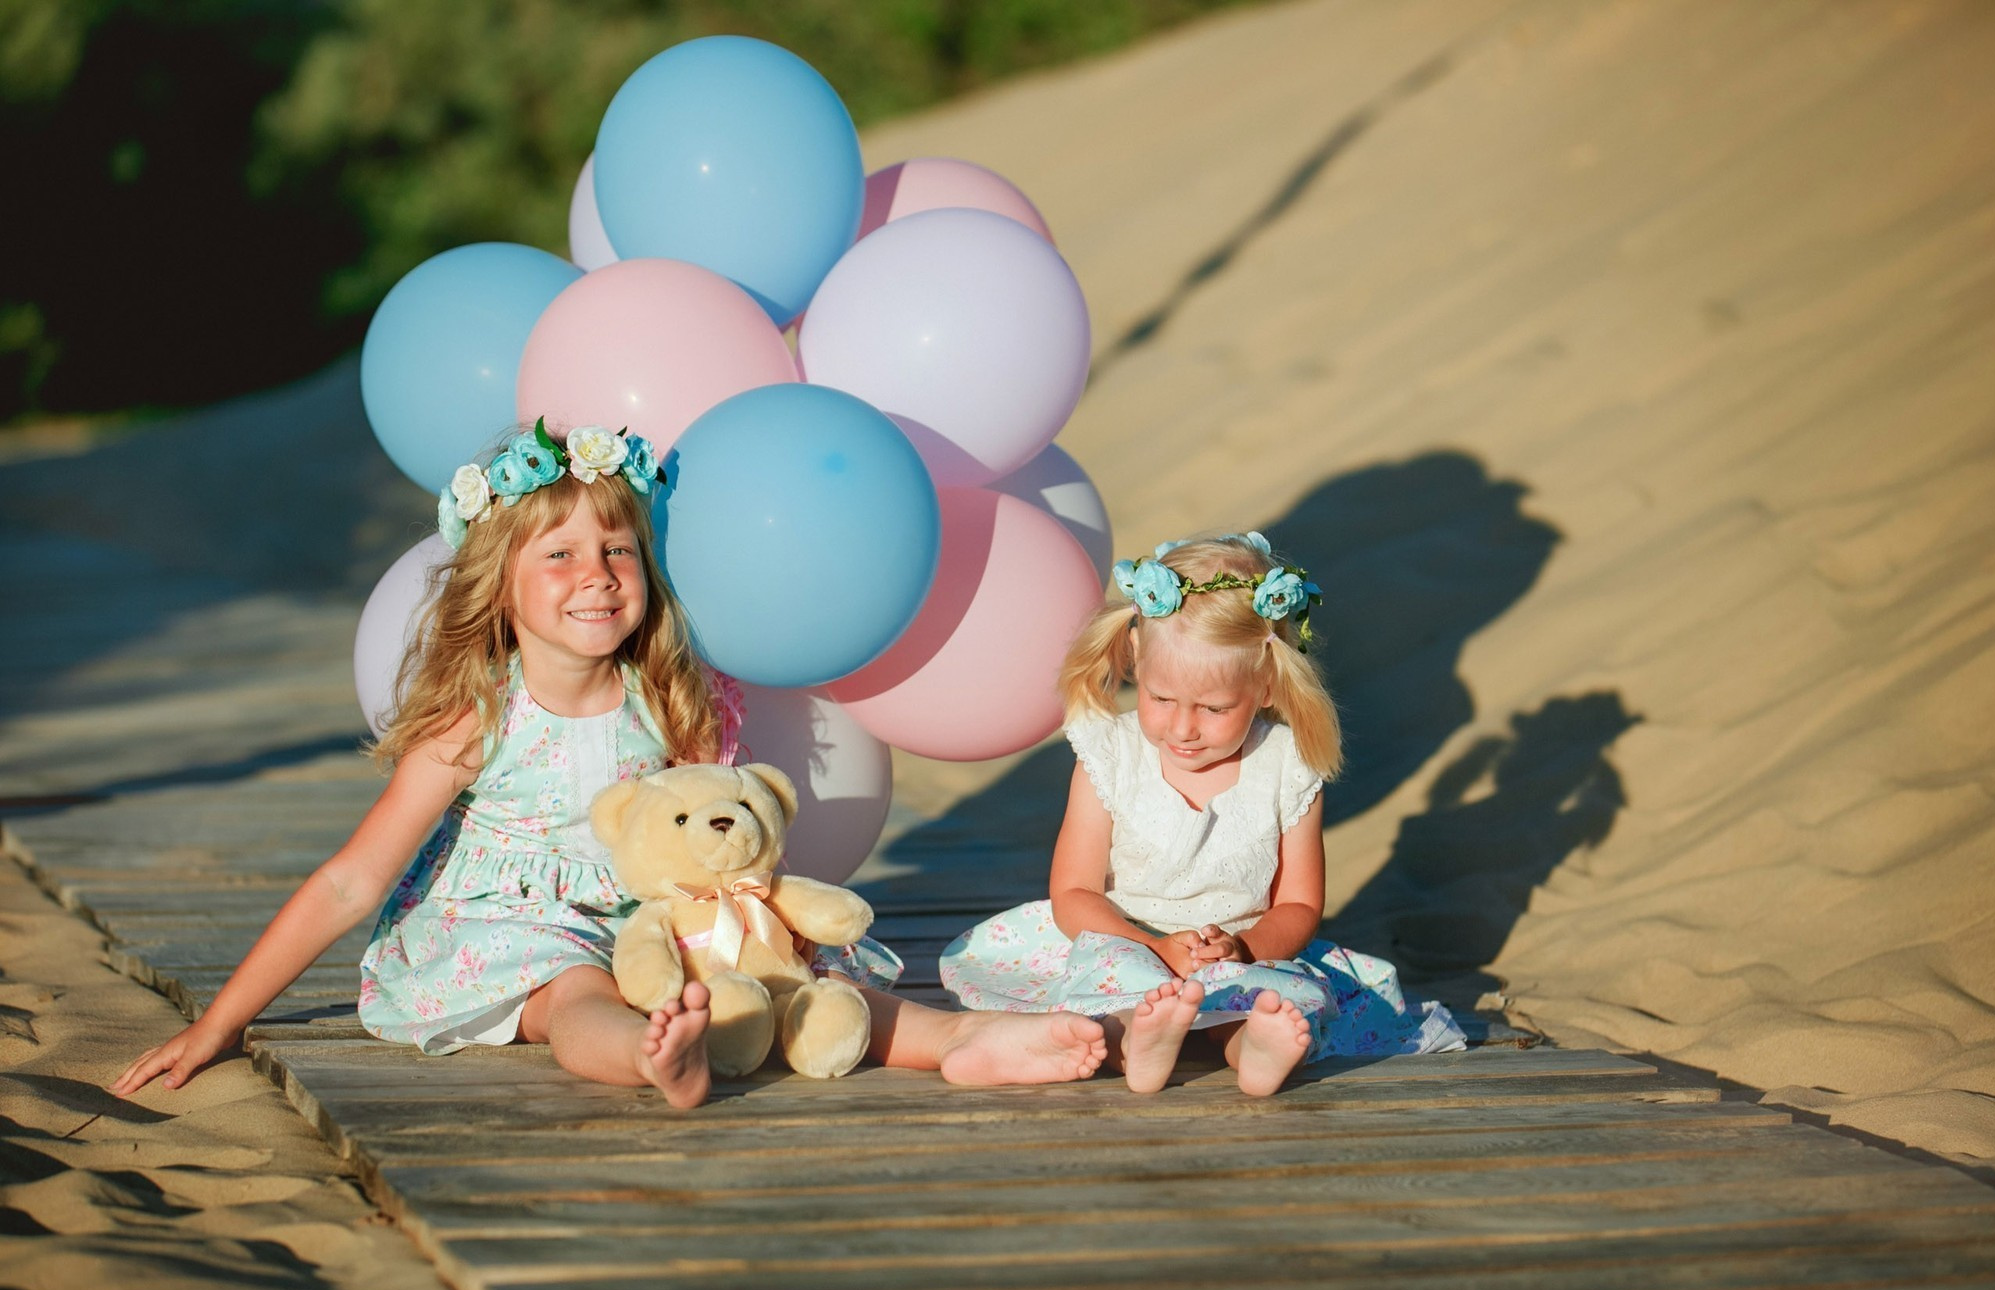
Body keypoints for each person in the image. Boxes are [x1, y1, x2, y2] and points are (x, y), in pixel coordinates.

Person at [112, 421, 1104, 1108]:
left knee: (796, 967)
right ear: (497, 587)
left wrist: (745, 923)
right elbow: (349, 880)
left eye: (618, 549)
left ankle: (948, 1039)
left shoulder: (667, 698)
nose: (595, 573)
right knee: (572, 994)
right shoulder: (479, 714)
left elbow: (707, 843)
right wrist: (221, 1023)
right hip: (505, 925)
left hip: (644, 914)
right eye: (559, 555)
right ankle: (648, 1054)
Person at [941, 532, 1466, 1096]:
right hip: (1123, 939)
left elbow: (1299, 903)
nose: (1184, 728)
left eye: (1215, 708)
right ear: (1138, 661)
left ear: (1267, 685)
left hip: (1236, 951)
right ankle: (1137, 1043)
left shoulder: (1287, 768)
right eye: (1161, 699)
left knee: (1270, 998)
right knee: (1109, 993)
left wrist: (1245, 950)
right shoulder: (1110, 755)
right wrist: (1154, 948)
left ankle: (1253, 1048)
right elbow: (1074, 894)